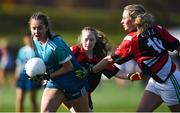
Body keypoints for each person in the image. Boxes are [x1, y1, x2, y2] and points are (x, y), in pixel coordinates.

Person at [91, 4, 180, 112]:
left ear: (134, 20)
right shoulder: (158, 29)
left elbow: (109, 60)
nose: (121, 21)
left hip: (170, 81)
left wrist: (92, 70)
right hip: (156, 82)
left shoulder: (131, 39)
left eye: (124, 18)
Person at [63, 26, 143, 111]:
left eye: (91, 40)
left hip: (85, 95)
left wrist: (129, 76)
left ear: (96, 41)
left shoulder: (99, 58)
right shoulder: (74, 51)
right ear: (81, 40)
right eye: (86, 39)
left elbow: (115, 72)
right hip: (69, 91)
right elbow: (60, 63)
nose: (88, 42)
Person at [28, 11, 90, 112]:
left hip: (74, 81)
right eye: (33, 28)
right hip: (55, 82)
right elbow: (42, 61)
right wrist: (34, 72)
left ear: (46, 28)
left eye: (40, 28)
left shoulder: (55, 46)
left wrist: (48, 76)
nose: (36, 31)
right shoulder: (35, 40)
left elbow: (69, 67)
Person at [14, 33, 41, 112]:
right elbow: (18, 64)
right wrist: (16, 76)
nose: (28, 40)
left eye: (30, 38)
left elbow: (40, 65)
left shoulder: (37, 50)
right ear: (24, 39)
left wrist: (41, 78)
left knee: (32, 99)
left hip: (33, 76)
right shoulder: (22, 50)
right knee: (19, 98)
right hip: (22, 75)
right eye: (27, 38)